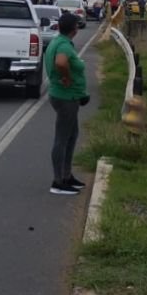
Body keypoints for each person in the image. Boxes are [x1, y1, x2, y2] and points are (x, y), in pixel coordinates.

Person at [43, 12, 89, 195]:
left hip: (67, 96)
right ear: (74, 29)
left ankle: (67, 175)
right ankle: (58, 181)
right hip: (65, 97)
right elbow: (61, 63)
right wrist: (67, 78)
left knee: (71, 135)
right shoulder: (63, 45)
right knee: (62, 138)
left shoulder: (58, 41)